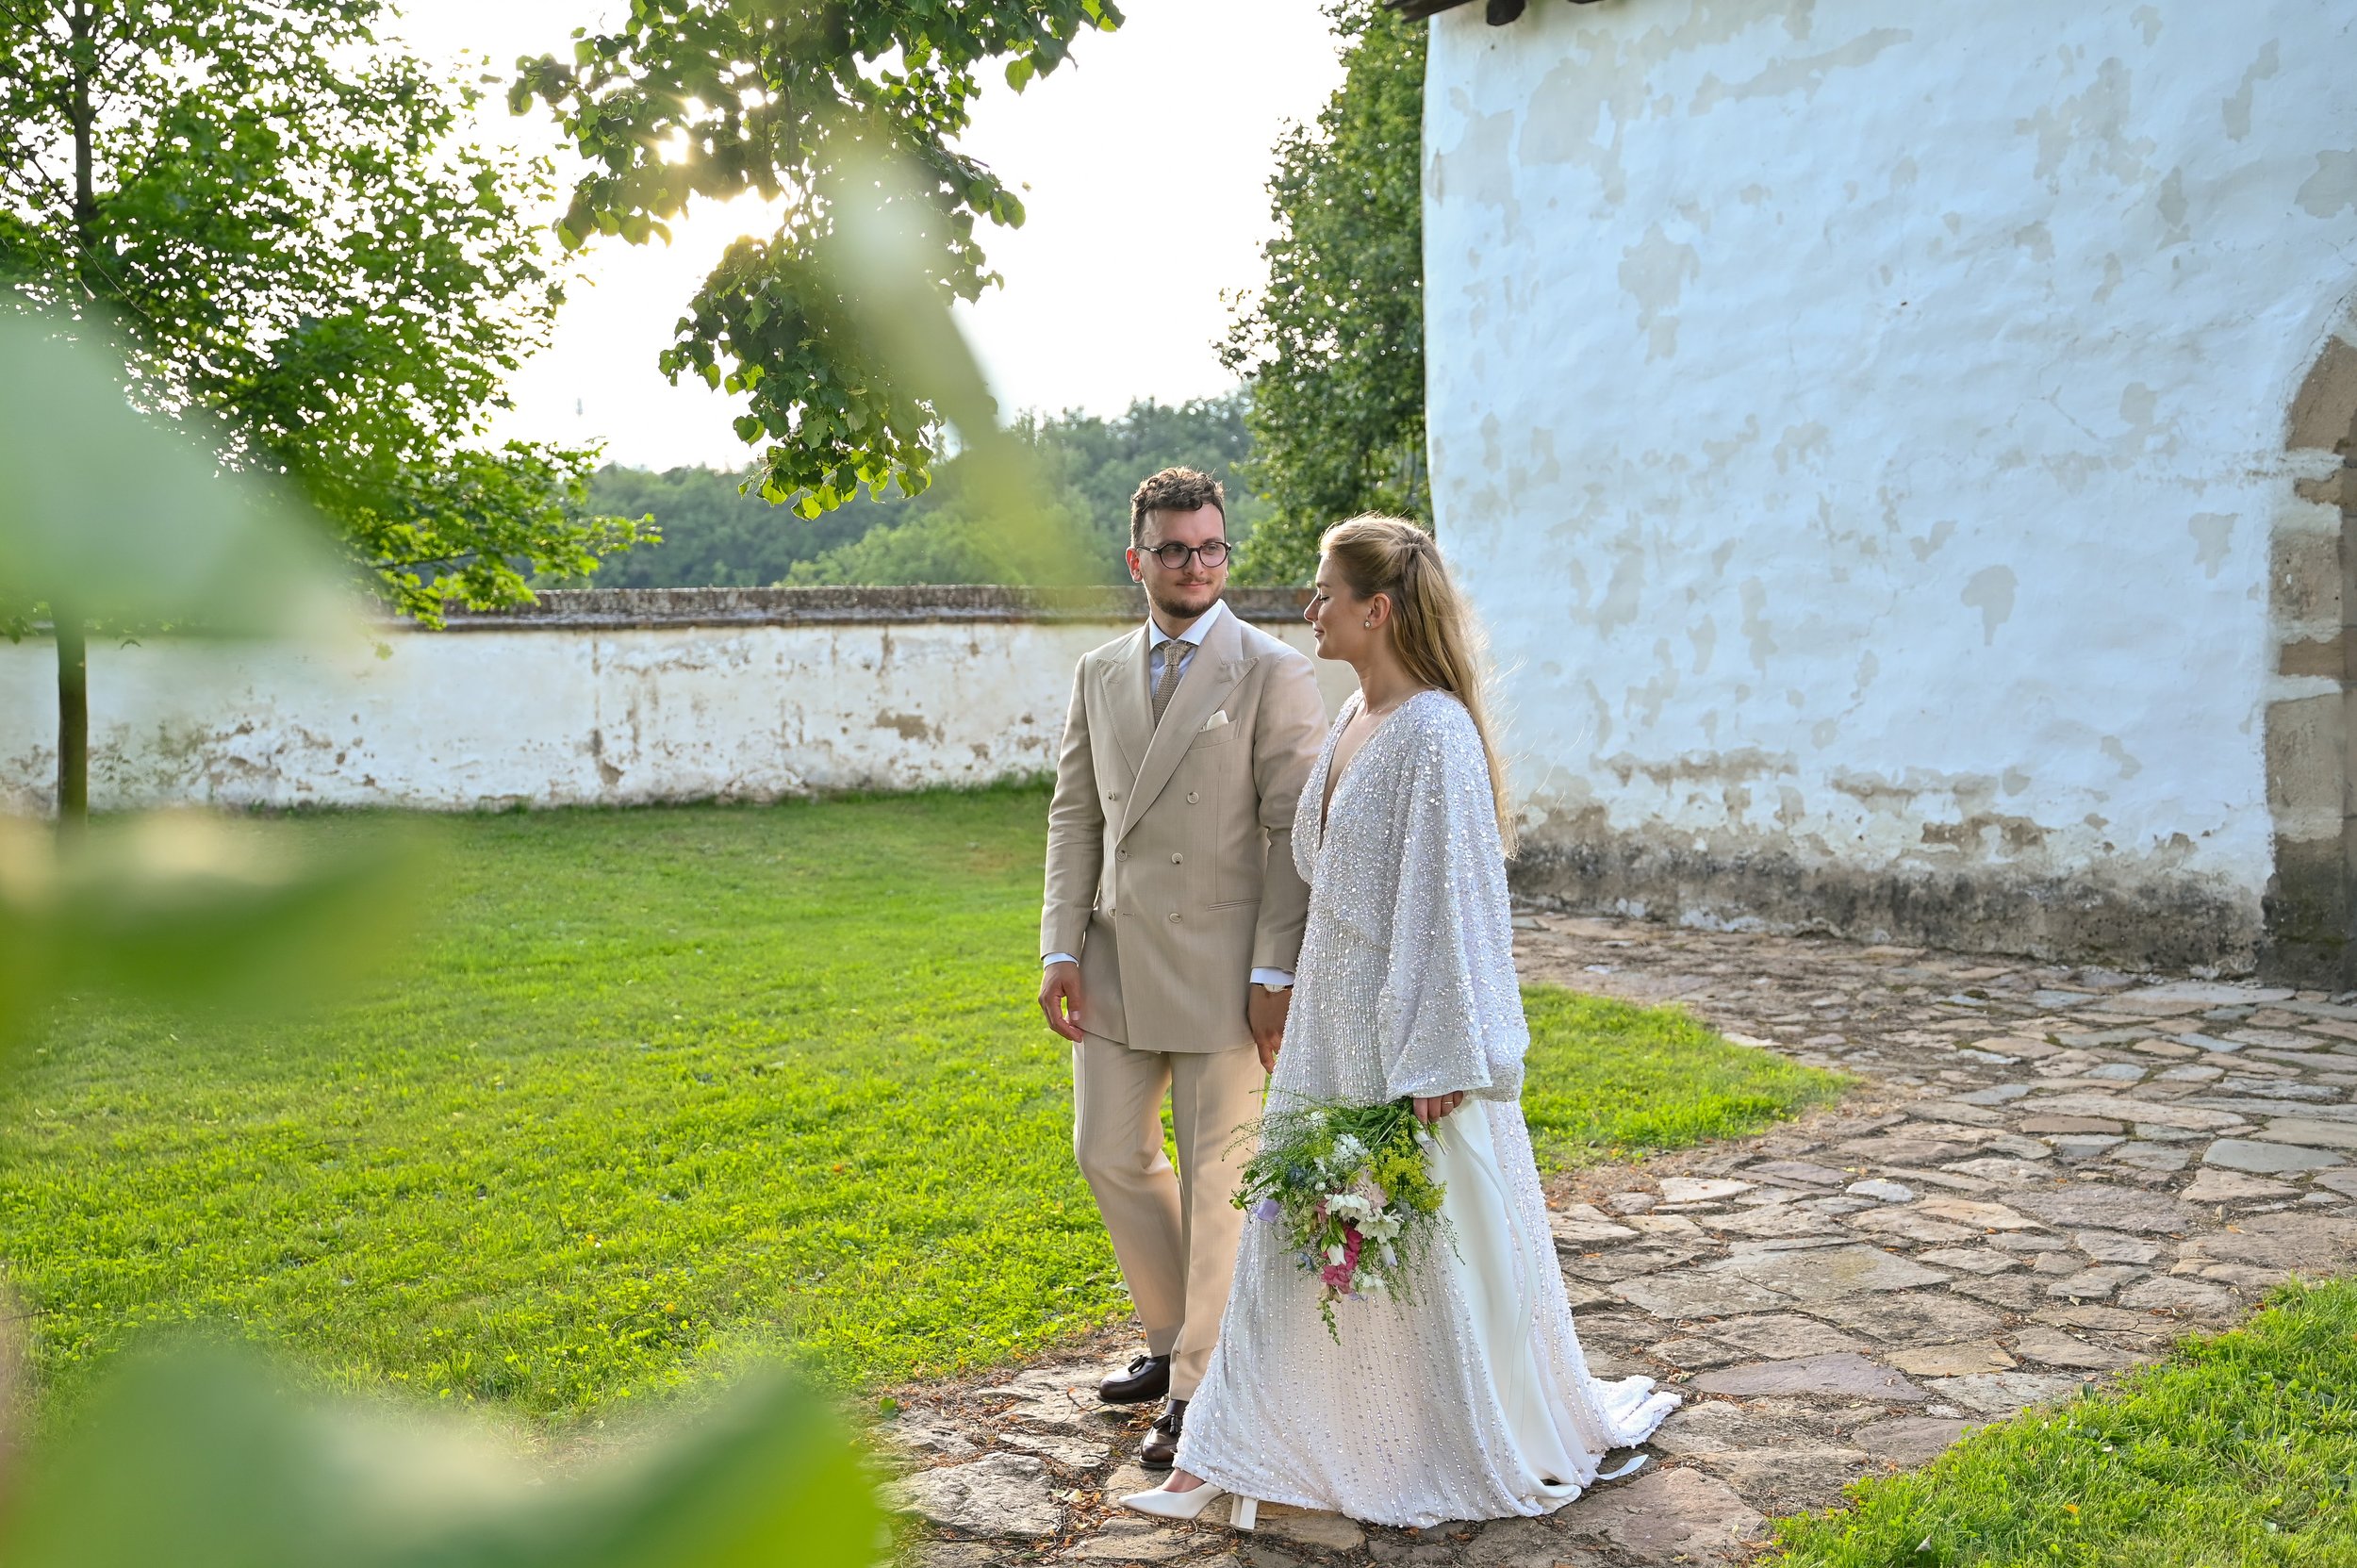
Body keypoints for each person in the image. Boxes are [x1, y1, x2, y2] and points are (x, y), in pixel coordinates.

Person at [1122, 516, 1677, 1530]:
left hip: (1405, 1037)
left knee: (1410, 1238)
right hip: (1330, 1025)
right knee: (1296, 1227)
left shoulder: (1435, 734)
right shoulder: (1350, 719)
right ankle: (1233, 1444)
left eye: (1325, 591)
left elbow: (1457, 906)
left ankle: (1423, 1434)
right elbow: (1328, 878)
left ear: (1376, 609)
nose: (1310, 606)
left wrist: (1440, 1053)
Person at [1038, 467, 1327, 1469]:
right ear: (1138, 560)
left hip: (1224, 967)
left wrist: (1277, 971)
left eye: (1211, 547)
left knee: (1217, 1180)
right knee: (1108, 1152)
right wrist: (1061, 944)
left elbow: (1296, 830)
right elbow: (1076, 814)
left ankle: (1202, 1382)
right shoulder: (1098, 671)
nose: (1196, 565)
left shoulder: (1272, 669)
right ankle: (1168, 1340)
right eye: (1175, 549)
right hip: (1116, 960)